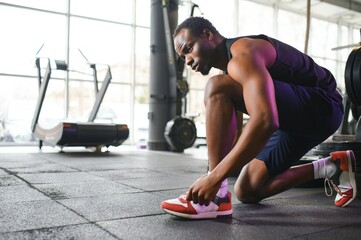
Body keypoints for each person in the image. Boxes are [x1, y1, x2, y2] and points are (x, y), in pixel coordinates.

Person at [160, 16, 357, 219]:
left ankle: (217, 197)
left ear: (207, 35)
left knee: (216, 86)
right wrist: (216, 172)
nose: (188, 61)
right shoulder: (228, 69)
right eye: (183, 58)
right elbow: (235, 133)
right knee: (247, 190)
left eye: (188, 49)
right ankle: (333, 167)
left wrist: (214, 178)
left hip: (323, 106)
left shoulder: (243, 54)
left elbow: (265, 120)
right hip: (296, 121)